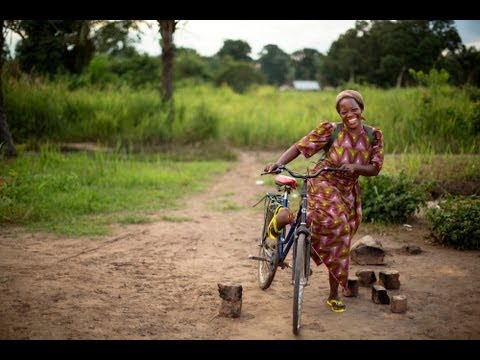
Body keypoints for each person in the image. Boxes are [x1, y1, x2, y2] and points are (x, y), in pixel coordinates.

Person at [264, 89, 384, 313]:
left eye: (354, 109)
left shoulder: (373, 135)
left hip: (348, 191)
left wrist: (356, 168)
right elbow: (300, 146)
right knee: (335, 223)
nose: (349, 114)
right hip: (323, 180)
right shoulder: (331, 130)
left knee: (342, 238)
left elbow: (375, 168)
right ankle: (284, 220)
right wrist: (278, 163)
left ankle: (333, 293)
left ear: (361, 109)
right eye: (343, 111)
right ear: (339, 114)